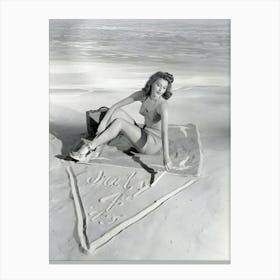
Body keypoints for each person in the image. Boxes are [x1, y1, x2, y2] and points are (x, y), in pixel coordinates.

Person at [70, 71, 174, 171]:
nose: (160, 90)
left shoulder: (162, 105)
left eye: (164, 88)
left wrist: (166, 158)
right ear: (152, 83)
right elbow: (116, 106)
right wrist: (103, 123)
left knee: (120, 123)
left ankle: (88, 148)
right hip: (144, 133)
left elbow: (165, 132)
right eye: (158, 85)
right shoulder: (143, 95)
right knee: (117, 112)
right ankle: (98, 141)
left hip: (151, 144)